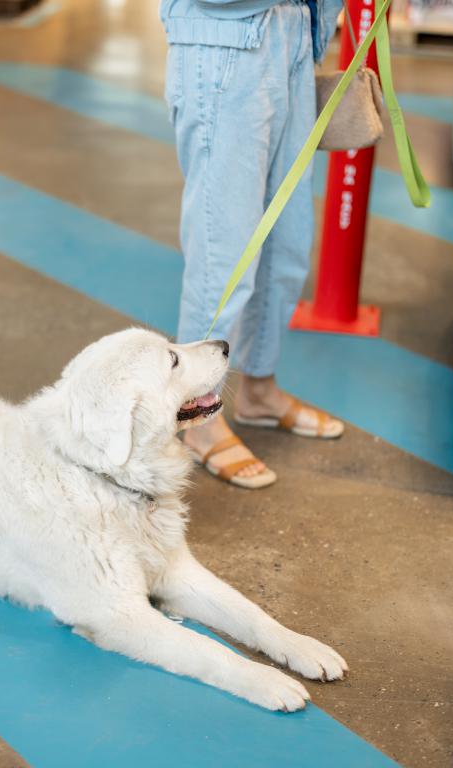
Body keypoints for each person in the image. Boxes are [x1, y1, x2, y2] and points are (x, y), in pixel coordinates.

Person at [160, 0, 346, 489]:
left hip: (294, 34)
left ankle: (258, 389)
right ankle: (197, 418)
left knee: (286, 242)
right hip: (226, 36)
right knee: (222, 252)